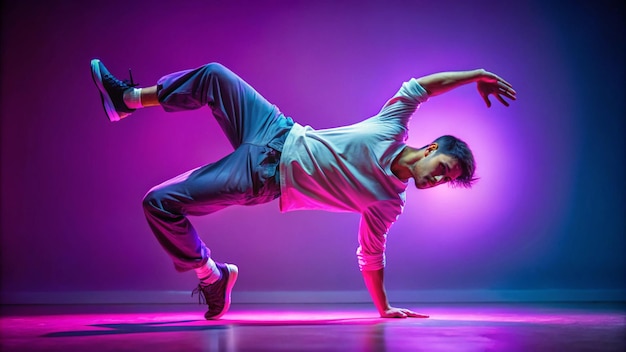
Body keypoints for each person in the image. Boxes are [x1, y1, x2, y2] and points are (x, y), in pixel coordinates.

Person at [90, 59, 516, 320]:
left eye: (445, 180)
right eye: (441, 168)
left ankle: (212, 277)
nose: (436, 179)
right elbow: (420, 88)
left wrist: (383, 306)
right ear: (429, 148)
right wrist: (476, 75)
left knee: (158, 202)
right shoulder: (393, 126)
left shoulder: (389, 202)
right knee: (214, 75)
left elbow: (371, 254)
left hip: (263, 176)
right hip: (276, 128)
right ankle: (127, 100)